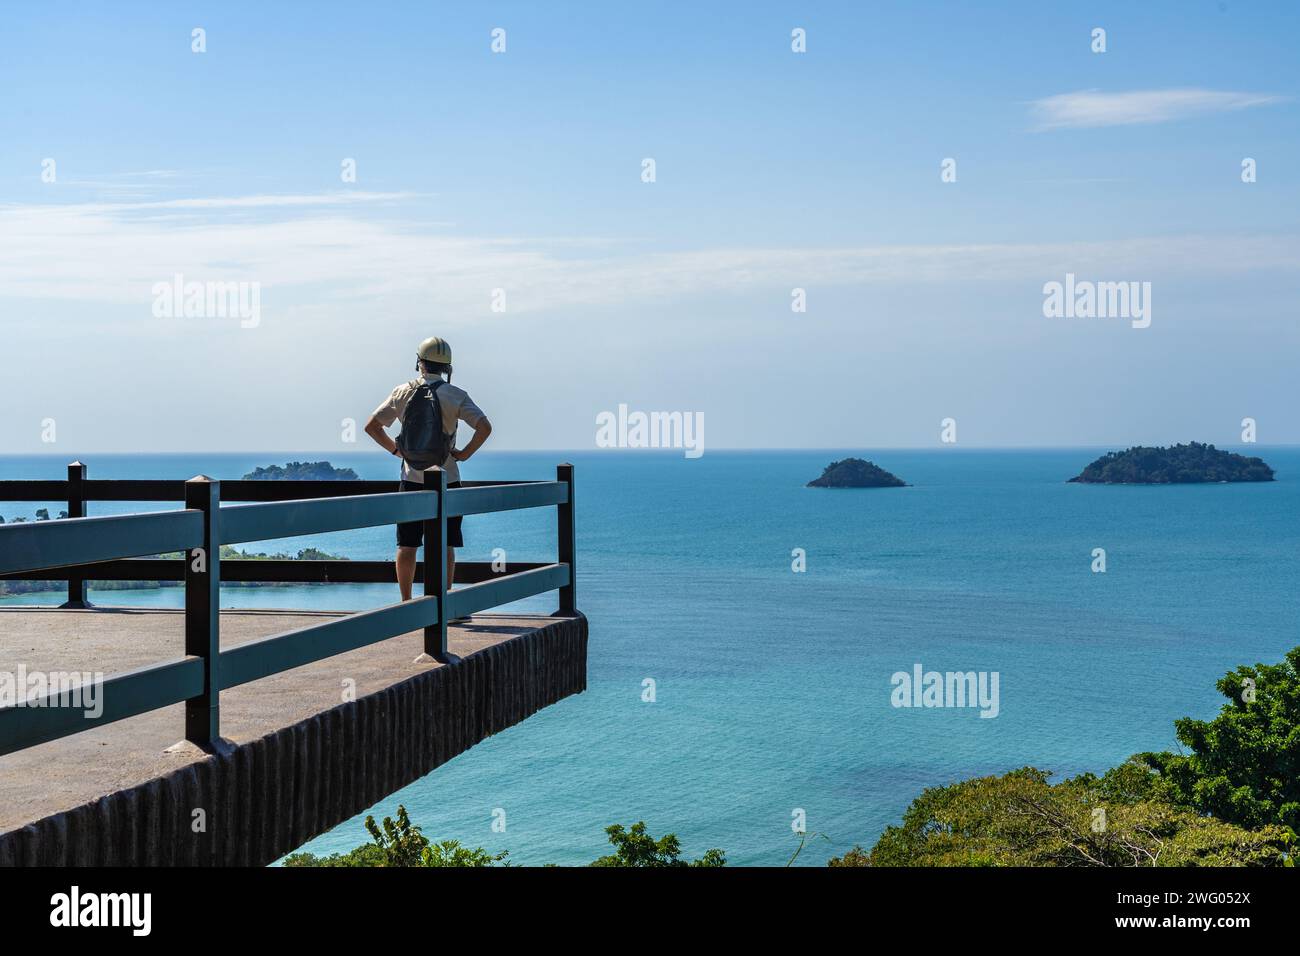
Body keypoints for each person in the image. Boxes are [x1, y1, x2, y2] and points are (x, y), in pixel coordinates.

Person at [365, 336, 492, 602]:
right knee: (445, 545)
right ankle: (444, 603)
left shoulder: (402, 391)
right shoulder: (456, 395)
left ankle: (406, 604)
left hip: (410, 479)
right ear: (447, 367)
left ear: (419, 363)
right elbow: (484, 427)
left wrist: (396, 451)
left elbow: (372, 427)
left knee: (407, 544)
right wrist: (464, 454)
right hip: (447, 478)